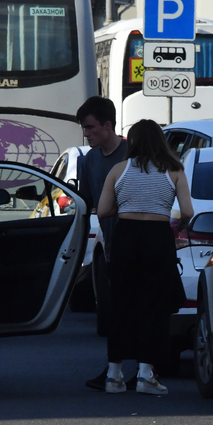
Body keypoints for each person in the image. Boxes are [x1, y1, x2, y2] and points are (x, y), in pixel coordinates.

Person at [96, 119, 194, 395]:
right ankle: (145, 373)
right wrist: (179, 223)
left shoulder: (119, 169)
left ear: (133, 140)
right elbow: (188, 211)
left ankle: (114, 374)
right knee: (154, 305)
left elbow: (103, 211)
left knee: (121, 303)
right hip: (158, 237)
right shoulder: (174, 169)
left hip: (126, 236)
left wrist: (126, 205)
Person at [76, 97, 130, 391]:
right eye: (84, 128)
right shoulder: (88, 161)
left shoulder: (132, 154)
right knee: (116, 311)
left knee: (139, 309)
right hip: (110, 245)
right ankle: (117, 369)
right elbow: (86, 202)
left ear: (108, 125)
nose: (86, 134)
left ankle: (144, 369)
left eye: (90, 127)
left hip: (138, 240)